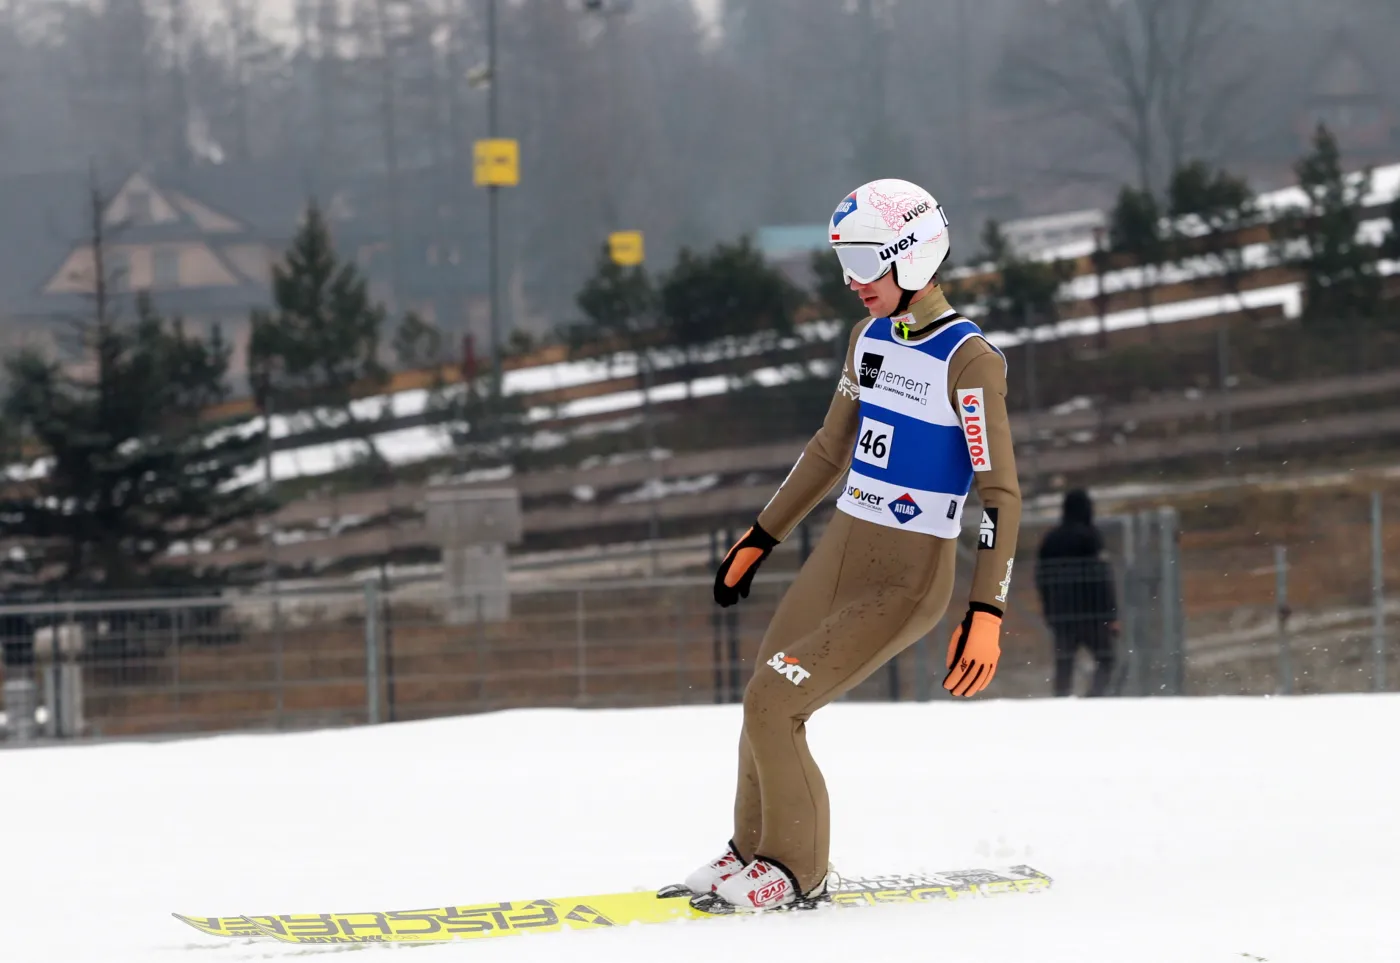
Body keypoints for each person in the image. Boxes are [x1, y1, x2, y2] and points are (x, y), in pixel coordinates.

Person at [679, 178, 1023, 914]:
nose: (852, 281)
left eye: (866, 262)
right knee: (763, 690)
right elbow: (829, 450)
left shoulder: (968, 361)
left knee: (777, 701)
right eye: (844, 263)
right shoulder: (868, 341)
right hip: (842, 549)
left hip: (906, 577)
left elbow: (1000, 494)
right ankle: (750, 846)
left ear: (913, 256)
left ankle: (797, 868)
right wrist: (762, 535)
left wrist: (986, 609)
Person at [1034, 489, 1119, 698]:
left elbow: (1041, 577)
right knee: (1106, 658)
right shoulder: (1091, 537)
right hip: (1092, 614)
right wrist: (1110, 614)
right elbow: (1102, 577)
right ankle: (1093, 697)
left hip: (1062, 614)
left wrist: (1049, 608)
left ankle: (1061, 699)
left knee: (1064, 663)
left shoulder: (1052, 539)